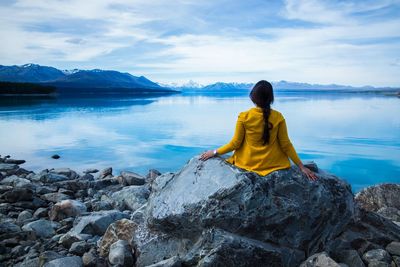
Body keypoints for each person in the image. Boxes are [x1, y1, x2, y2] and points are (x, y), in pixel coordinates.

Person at [200, 80, 318, 181]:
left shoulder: (244, 116)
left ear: (253, 97)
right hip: (273, 164)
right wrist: (301, 167)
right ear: (271, 98)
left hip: (248, 163)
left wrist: (214, 152)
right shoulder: (278, 117)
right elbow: (286, 144)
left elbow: (235, 144)